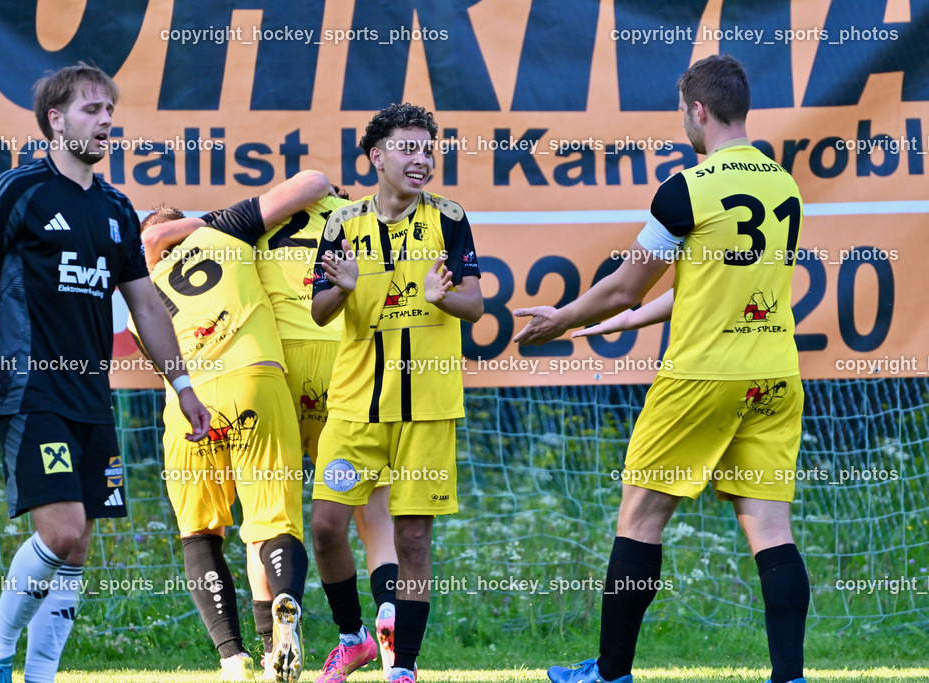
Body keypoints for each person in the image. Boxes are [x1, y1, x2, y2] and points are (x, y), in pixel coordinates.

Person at [514, 54, 809, 683]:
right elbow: (708, 284)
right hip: (774, 377)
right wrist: (621, 324)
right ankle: (791, 677)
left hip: (702, 376)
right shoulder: (783, 184)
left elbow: (624, 284)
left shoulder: (687, 186)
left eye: (683, 112)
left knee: (641, 516)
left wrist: (561, 319)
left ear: (697, 110)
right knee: (771, 529)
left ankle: (611, 671)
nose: (683, 121)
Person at [0, 62, 210, 683]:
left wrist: (185, 385)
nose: (106, 121)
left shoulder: (117, 208)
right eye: (92, 111)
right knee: (61, 532)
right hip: (31, 387)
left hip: (93, 396)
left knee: (79, 544)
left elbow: (146, 305)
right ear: (56, 121)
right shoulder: (19, 190)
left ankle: (39, 675)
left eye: (110, 111)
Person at [309, 103, 483, 683]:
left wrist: (441, 298)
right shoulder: (342, 223)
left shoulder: (451, 218)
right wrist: (344, 288)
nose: (422, 158)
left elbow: (476, 307)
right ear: (376, 156)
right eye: (408, 148)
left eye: (428, 149)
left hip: (428, 408)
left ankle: (403, 667)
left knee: (412, 537)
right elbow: (319, 309)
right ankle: (353, 636)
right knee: (328, 525)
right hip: (356, 406)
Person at [137, 169, 332, 682]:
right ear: (187, 229)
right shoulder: (225, 233)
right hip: (255, 380)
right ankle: (283, 615)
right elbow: (314, 181)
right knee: (273, 522)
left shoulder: (139, 293)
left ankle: (232, 657)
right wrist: (216, 220)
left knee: (199, 533)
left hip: (189, 403)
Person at [255, 187, 401, 679]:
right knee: (372, 512)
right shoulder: (362, 220)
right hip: (345, 369)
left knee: (270, 513)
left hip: (278, 368)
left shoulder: (256, 221)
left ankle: (269, 637)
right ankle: (388, 620)